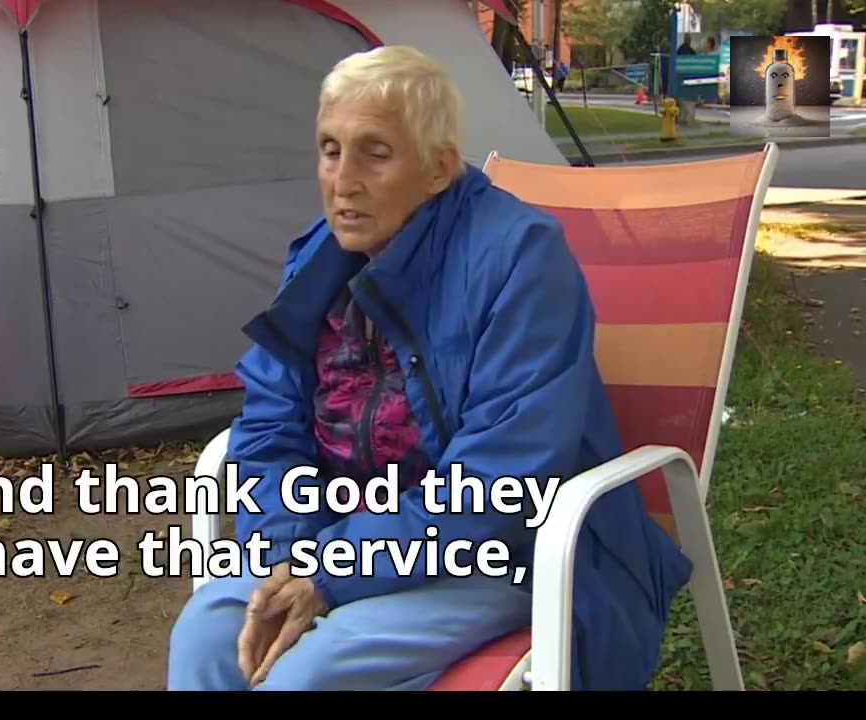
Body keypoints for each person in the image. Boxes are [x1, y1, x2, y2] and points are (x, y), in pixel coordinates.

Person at [165, 45, 692, 691]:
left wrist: (332, 573)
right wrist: (287, 556)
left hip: (503, 553)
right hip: (337, 540)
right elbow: (270, 426)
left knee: (311, 673)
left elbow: (501, 480)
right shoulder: (323, 256)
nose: (343, 180)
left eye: (375, 153)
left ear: (439, 167)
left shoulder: (521, 259)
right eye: (330, 149)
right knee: (204, 635)